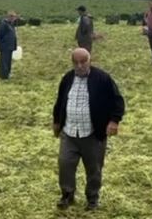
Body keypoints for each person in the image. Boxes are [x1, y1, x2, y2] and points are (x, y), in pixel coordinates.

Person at [52, 48, 125, 210]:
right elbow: (60, 102)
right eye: (76, 62)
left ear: (90, 60)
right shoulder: (67, 78)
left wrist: (114, 121)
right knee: (65, 164)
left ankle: (92, 198)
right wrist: (57, 122)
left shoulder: (103, 79)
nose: (79, 66)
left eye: (83, 61)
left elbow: (118, 102)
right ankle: (67, 194)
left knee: (94, 169)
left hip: (93, 134)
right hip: (69, 132)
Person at [0, 11, 18, 79]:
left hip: (10, 46)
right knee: (4, 61)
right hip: (5, 46)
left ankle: (8, 73)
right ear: (10, 17)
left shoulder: (11, 25)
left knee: (8, 61)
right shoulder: (3, 24)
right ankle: (3, 76)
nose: (14, 19)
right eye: (14, 18)